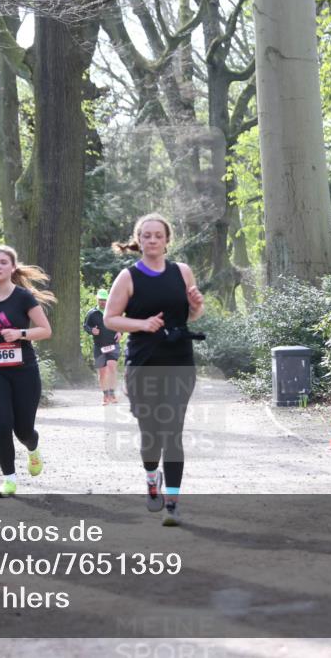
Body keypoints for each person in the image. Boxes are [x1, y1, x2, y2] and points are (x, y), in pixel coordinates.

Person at [103, 213, 204, 526]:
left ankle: (172, 502)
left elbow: (191, 315)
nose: (152, 240)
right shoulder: (128, 277)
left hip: (179, 361)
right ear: (139, 240)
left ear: (167, 240)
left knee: (172, 431)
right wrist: (142, 324)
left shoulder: (182, 272)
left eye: (158, 235)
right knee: (150, 434)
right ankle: (151, 478)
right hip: (144, 363)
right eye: (146, 235)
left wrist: (197, 306)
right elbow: (110, 319)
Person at [0, 245, 55, 498]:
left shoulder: (23, 297)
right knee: (2, 425)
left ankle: (33, 447)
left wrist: (20, 333)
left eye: (2, 262)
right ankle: (9, 481)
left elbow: (45, 330)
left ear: (12, 267)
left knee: (23, 430)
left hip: (24, 370)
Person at [84, 288, 122, 405]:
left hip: (113, 344)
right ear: (97, 299)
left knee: (112, 368)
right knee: (102, 373)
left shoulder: (114, 312)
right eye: (100, 299)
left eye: (104, 300)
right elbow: (86, 326)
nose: (102, 302)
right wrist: (91, 330)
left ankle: (112, 394)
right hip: (99, 346)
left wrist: (120, 332)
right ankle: (105, 395)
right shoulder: (92, 313)